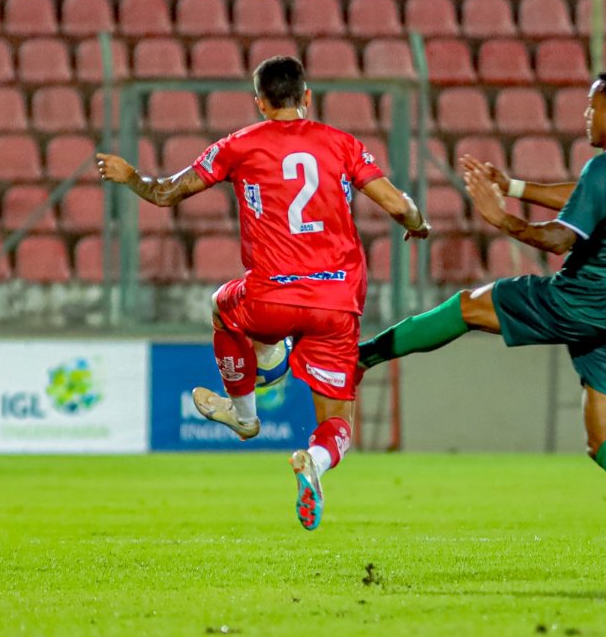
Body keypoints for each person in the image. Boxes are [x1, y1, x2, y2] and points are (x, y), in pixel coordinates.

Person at [357, 69, 606, 585]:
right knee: (604, 438)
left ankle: (361, 357)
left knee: (468, 306)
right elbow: (588, 194)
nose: (586, 115)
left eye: (592, 106)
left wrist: (502, 219)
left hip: (582, 300)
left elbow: (559, 240)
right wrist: (512, 187)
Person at [97, 56, 430, 531]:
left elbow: (167, 193)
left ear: (259, 103)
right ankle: (315, 460)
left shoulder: (239, 144)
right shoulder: (343, 144)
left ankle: (245, 415)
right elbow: (399, 205)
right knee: (338, 421)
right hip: (338, 302)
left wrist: (131, 176)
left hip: (271, 295)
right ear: (307, 96)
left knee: (221, 308)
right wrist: (418, 223)